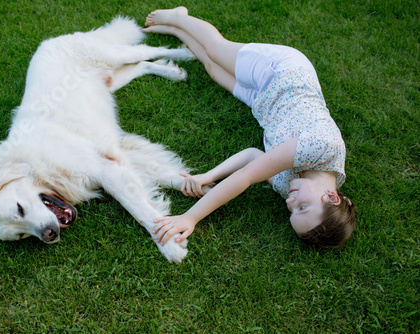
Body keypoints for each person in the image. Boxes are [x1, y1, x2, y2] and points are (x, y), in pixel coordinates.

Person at [142, 7, 356, 249]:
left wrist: (210, 175)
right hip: (282, 73)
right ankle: (178, 17)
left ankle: (174, 29)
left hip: (263, 102)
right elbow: (246, 176)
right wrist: (190, 217)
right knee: (215, 48)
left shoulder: (291, 188)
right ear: (331, 197)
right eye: (303, 206)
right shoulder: (322, 148)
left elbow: (253, 156)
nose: (290, 203)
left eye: (293, 212)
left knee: (212, 69)